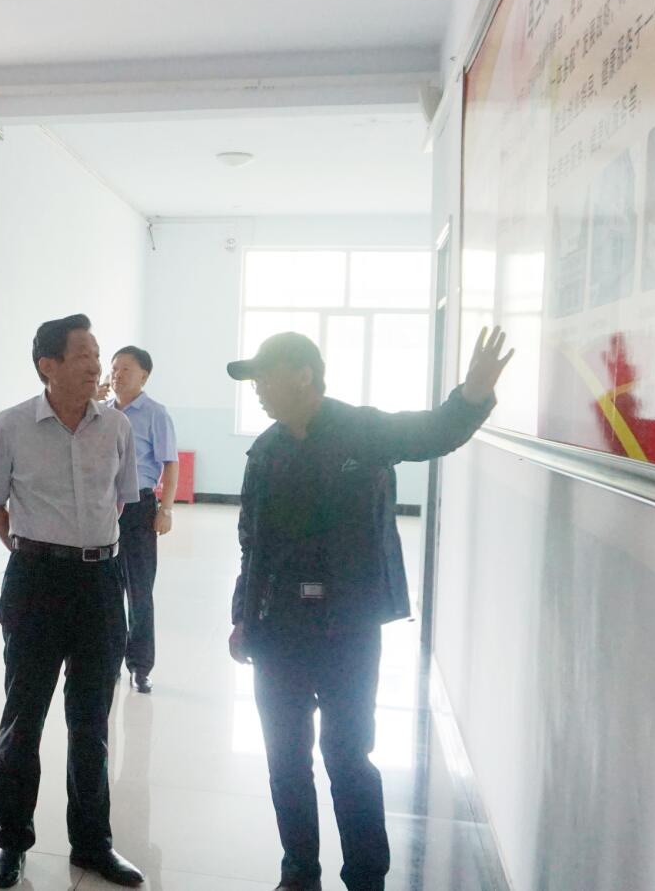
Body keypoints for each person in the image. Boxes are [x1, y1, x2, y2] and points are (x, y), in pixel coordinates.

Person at [226, 328, 514, 891]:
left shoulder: (362, 430)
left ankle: (365, 877)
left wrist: (472, 395)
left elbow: (434, 432)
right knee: (285, 758)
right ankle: (299, 872)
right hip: (277, 625)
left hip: (347, 626)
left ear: (304, 375)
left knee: (348, 754)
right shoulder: (265, 451)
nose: (257, 388)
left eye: (265, 375)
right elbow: (250, 540)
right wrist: (242, 615)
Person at [0, 313, 145, 889]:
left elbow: (120, 501)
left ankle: (93, 844)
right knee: (23, 717)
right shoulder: (10, 426)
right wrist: (36, 550)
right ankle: (11, 842)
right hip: (35, 582)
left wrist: (85, 547)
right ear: (47, 365)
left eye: (97, 354)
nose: (96, 365)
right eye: (83, 355)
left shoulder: (116, 426)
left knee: (92, 721)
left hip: (100, 584)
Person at [107, 345, 178, 694]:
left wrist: (166, 509)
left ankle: (140, 666)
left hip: (139, 508)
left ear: (144, 376)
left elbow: (170, 462)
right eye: (114, 368)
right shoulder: (101, 411)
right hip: (104, 508)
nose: (117, 374)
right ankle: (109, 660)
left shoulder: (155, 414)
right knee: (107, 590)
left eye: (126, 369)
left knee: (139, 590)